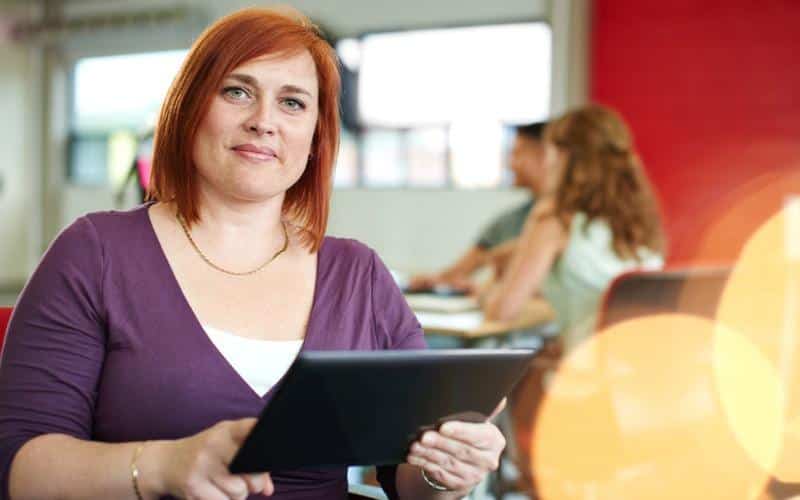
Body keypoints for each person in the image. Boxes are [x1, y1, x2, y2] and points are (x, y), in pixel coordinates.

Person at [0, 7, 505, 500]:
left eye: (292, 103)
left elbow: (406, 477)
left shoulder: (359, 275)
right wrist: (161, 466)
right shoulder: (95, 253)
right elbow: (20, 469)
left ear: (314, 138)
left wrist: (447, 471)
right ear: (191, 107)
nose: (264, 121)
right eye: (237, 91)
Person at [482, 104, 665, 495]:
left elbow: (503, 310)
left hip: (585, 391)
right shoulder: (637, 223)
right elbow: (598, 299)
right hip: (645, 388)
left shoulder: (555, 219)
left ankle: (521, 480)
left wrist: (488, 287)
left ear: (564, 157)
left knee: (507, 376)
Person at [408, 122, 547, 293]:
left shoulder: (569, 222)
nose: (511, 165)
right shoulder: (508, 222)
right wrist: (434, 280)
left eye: (518, 154)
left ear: (546, 155)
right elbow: (459, 271)